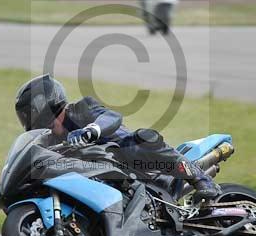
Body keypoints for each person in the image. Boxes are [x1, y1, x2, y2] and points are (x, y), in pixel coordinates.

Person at [14, 74, 220, 203]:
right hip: (108, 178)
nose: (29, 117)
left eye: (30, 111)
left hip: (133, 159)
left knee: (143, 139)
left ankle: (202, 180)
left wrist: (92, 130)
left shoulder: (81, 109)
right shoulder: (50, 140)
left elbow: (112, 117)